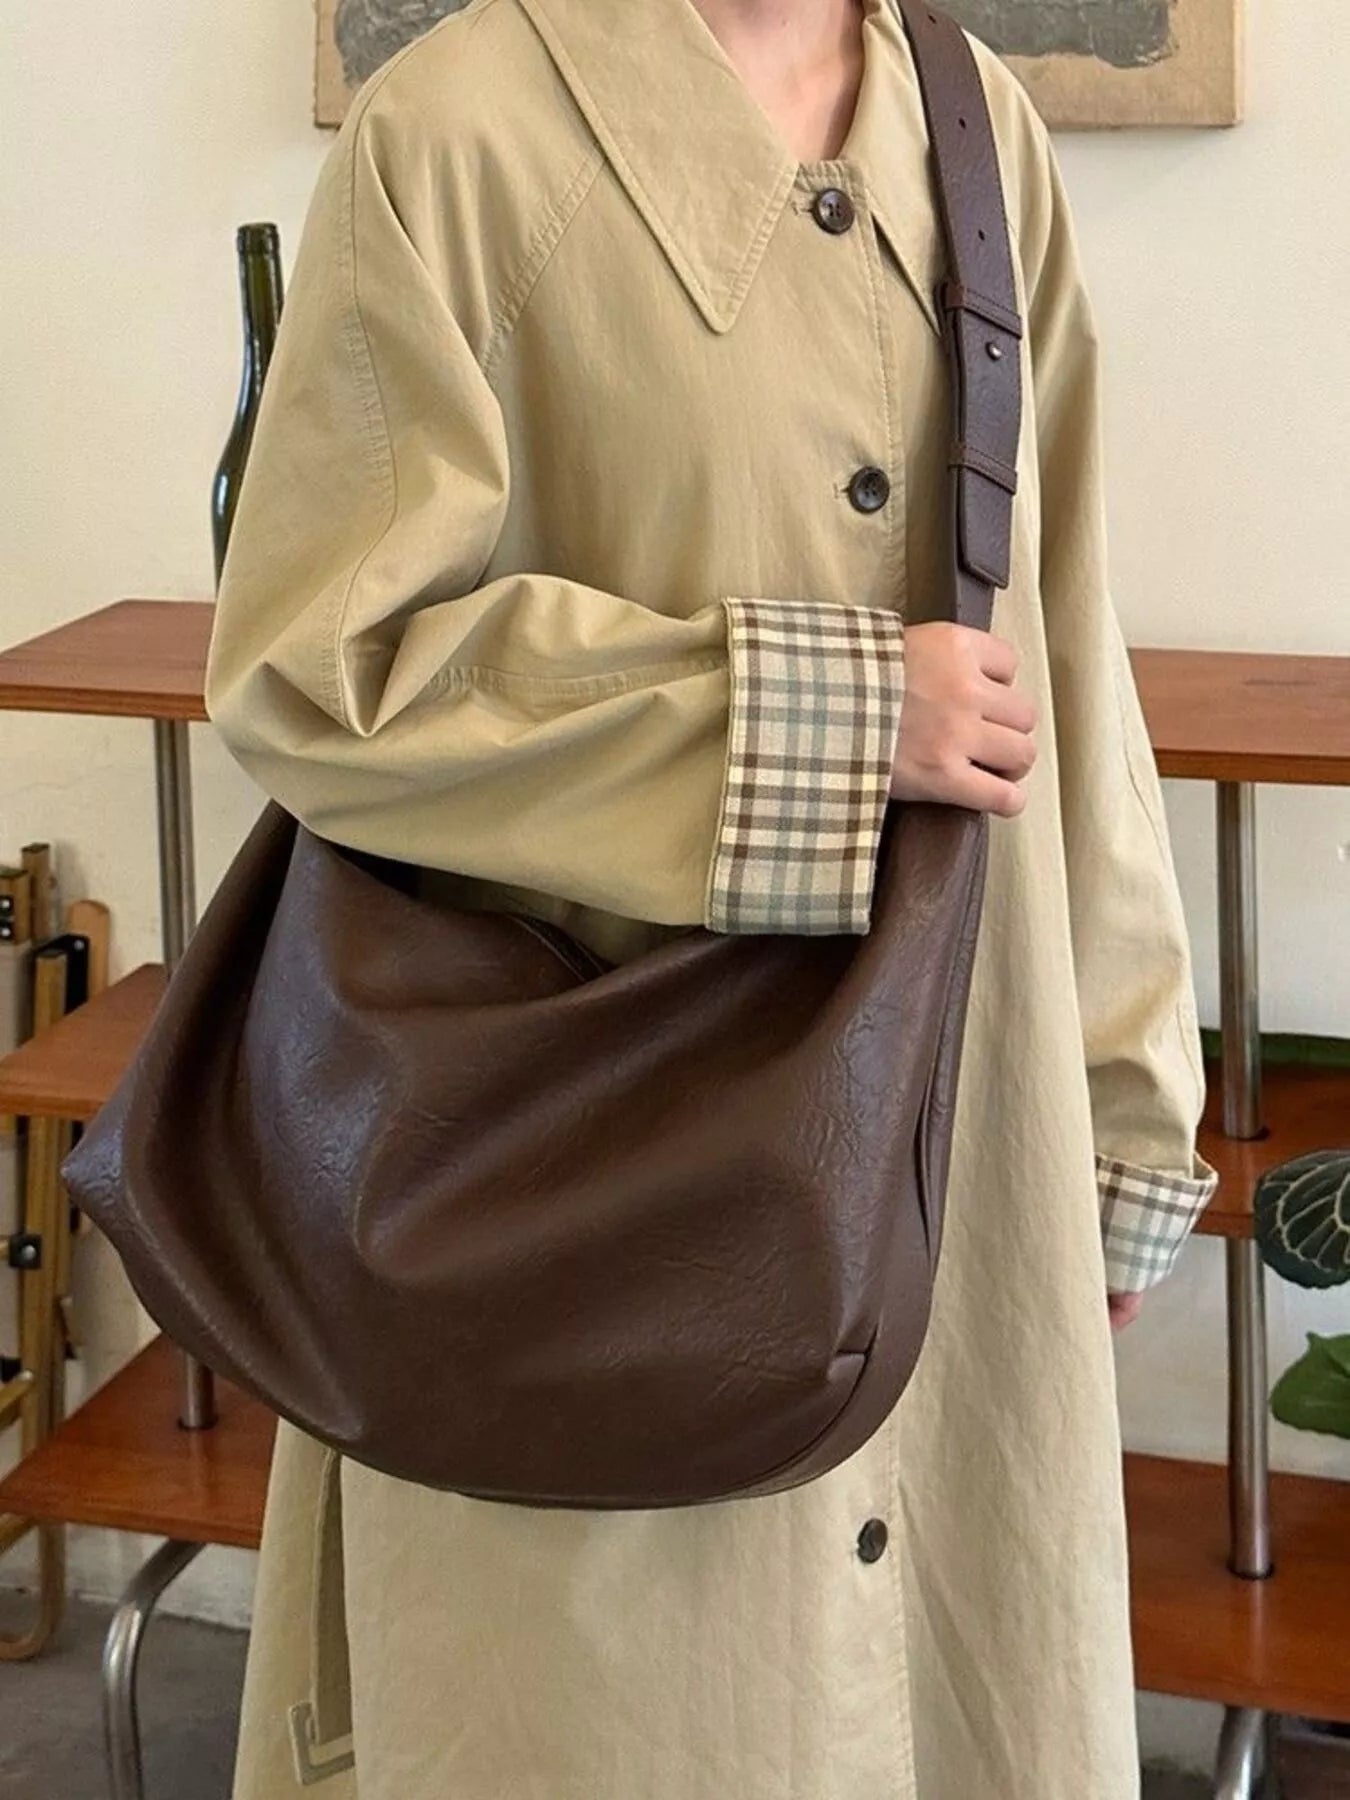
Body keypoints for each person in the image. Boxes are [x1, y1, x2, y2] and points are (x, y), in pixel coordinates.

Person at [206, 0, 1217, 1793]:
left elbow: (1067, 643)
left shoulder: (974, 123)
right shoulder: (454, 136)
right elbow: (316, 667)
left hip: (952, 1145)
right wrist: (819, 710)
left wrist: (1119, 1108)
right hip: (584, 1197)